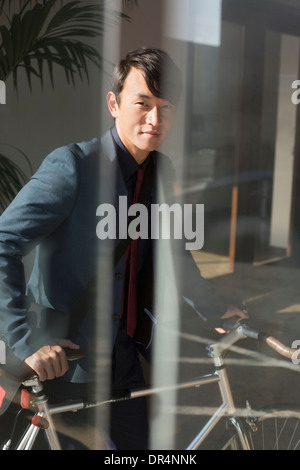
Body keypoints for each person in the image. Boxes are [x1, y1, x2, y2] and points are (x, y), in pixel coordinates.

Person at [0, 48, 247, 449]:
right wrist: (26, 341)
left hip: (126, 359)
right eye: (143, 103)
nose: (155, 119)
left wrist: (212, 306)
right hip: (68, 367)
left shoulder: (161, 172)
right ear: (114, 104)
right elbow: (3, 241)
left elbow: (173, 252)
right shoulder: (73, 167)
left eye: (166, 107)